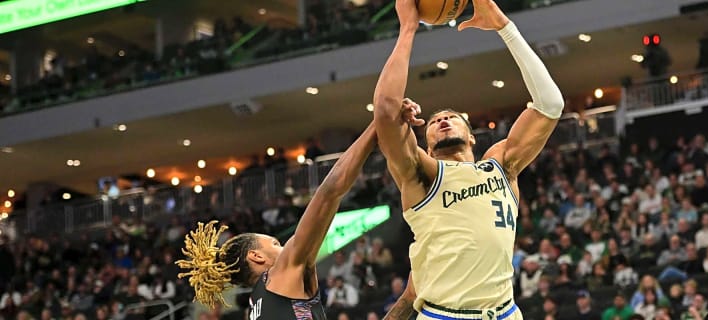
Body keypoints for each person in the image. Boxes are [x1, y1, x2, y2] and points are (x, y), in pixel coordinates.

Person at [375, 0, 564, 317]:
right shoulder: (424, 175)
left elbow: (551, 105)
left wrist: (504, 26)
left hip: (505, 312)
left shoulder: (501, 165)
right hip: (445, 314)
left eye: (451, 117)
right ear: (428, 146)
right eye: (434, 122)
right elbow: (384, 113)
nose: (442, 121)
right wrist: (408, 27)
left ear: (473, 135)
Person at [175, 122, 380, 319]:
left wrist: (405, 300)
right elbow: (328, 193)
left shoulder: (255, 307)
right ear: (256, 256)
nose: (284, 246)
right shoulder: (277, 275)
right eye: (276, 243)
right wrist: (377, 125)